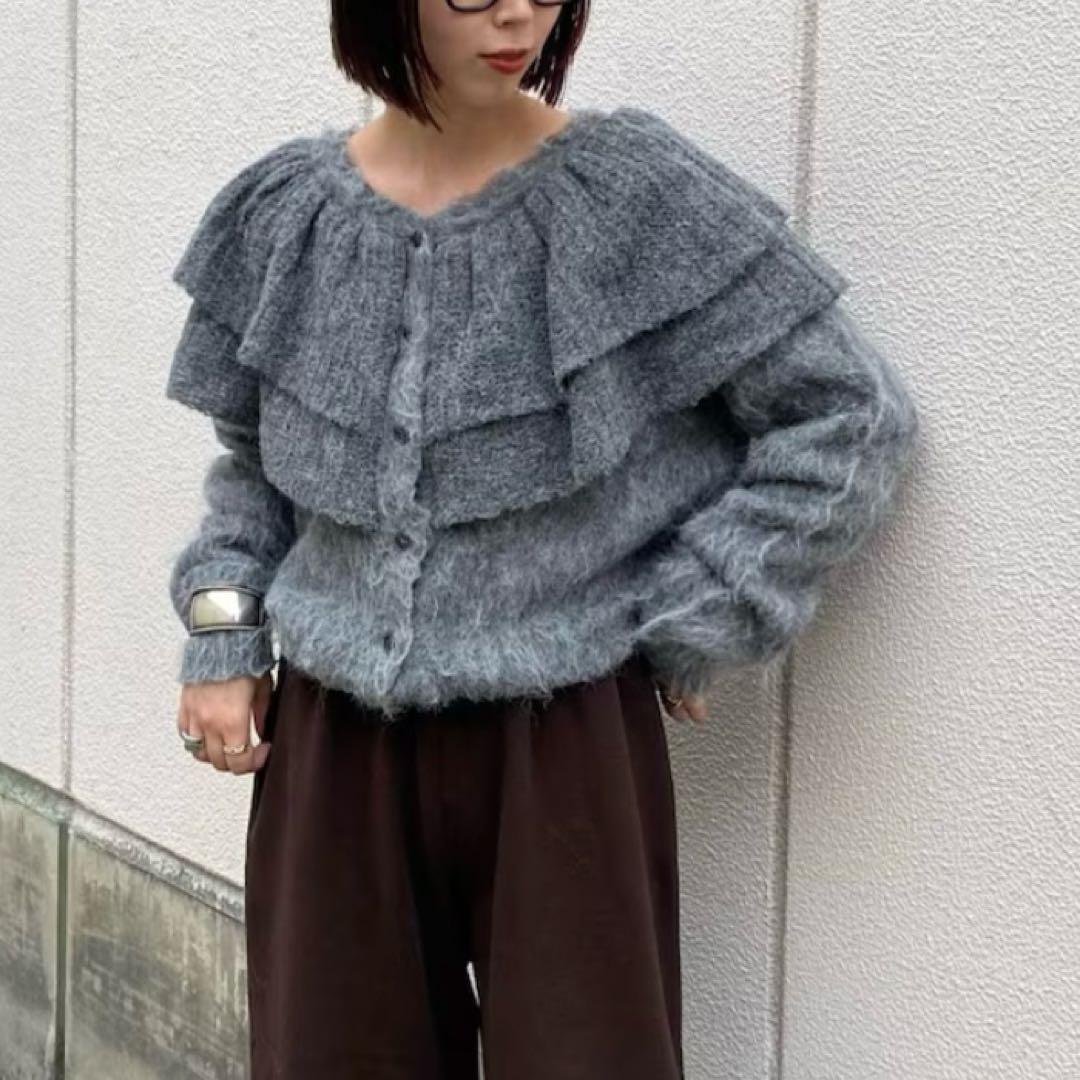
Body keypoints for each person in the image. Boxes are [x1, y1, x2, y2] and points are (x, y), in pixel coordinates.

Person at [165, 1, 919, 1076]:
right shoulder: (288, 216)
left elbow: (849, 414)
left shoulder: (632, 195)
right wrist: (222, 633)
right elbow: (254, 468)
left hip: (564, 740)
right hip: (330, 747)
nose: (520, 11)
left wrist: (704, 609)